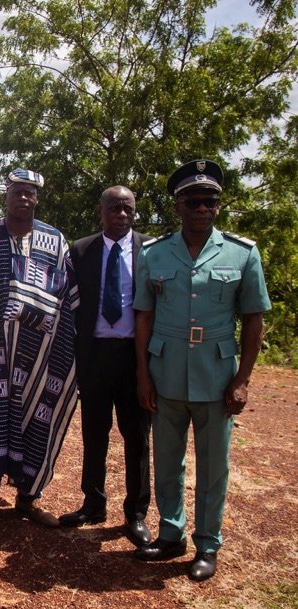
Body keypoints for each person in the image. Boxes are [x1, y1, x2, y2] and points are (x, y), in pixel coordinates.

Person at [132, 159, 269, 581]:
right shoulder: (154, 253)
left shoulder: (242, 253)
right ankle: (171, 533)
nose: (202, 208)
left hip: (216, 376)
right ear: (178, 205)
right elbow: (143, 317)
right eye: (194, 200)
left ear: (218, 206)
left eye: (210, 201)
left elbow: (254, 320)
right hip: (166, 371)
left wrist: (243, 378)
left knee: (214, 466)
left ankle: (207, 544)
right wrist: (142, 374)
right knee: (167, 461)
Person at [0, 168, 79, 527]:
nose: (24, 198)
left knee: (35, 419)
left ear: (37, 198)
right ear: (6, 194)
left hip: (38, 356)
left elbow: (66, 298)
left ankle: (28, 498)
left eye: (30, 192)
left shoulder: (55, 240)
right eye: (17, 191)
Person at [59, 186, 152, 546]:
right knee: (94, 434)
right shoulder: (81, 250)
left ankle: (136, 513)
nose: (121, 214)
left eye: (127, 208)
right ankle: (93, 503)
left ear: (134, 212)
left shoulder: (152, 251)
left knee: (137, 437)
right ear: (101, 212)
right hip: (95, 355)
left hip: (134, 358)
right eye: (114, 208)